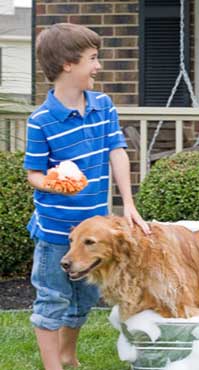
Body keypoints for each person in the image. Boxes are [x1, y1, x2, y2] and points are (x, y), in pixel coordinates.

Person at [24, 23, 150, 370]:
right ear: (68, 64)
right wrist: (54, 183)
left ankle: (68, 356)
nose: (98, 66)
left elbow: (117, 151)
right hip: (55, 235)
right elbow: (34, 173)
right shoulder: (41, 120)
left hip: (95, 227)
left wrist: (129, 203)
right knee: (52, 300)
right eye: (92, 59)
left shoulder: (103, 105)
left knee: (81, 301)